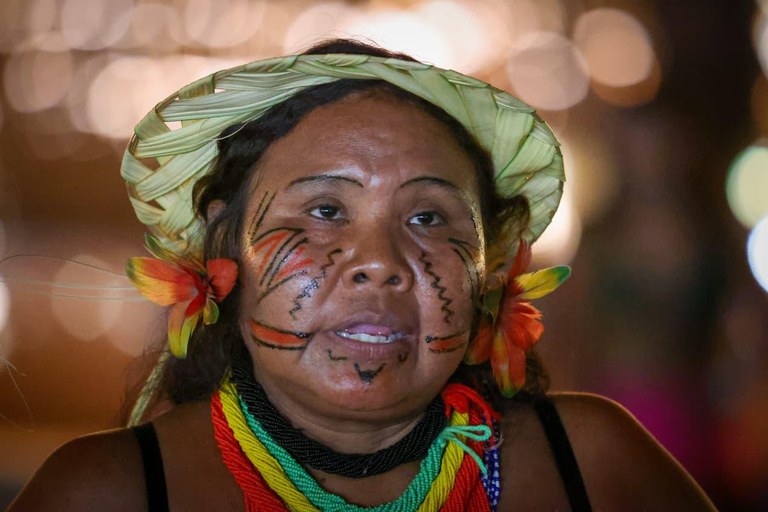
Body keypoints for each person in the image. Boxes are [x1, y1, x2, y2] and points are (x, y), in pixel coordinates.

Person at [8, 39, 716, 511]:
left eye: (429, 219)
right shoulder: (106, 491)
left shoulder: (592, 466)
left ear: (489, 269)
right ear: (225, 254)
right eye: (323, 209)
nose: (379, 263)